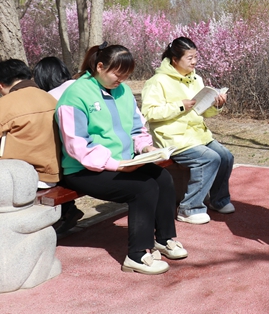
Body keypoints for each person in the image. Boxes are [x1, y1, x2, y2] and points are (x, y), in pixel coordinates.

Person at [56, 43, 187, 275]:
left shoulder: (123, 91)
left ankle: (164, 239)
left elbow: (137, 128)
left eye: (126, 75)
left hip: (123, 162)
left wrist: (146, 147)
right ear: (99, 67)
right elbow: (77, 145)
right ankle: (137, 255)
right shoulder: (75, 95)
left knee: (162, 178)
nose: (122, 80)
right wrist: (116, 164)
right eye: (118, 74)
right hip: (84, 169)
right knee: (143, 188)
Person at [141, 37, 234, 225]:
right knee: (209, 158)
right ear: (175, 60)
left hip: (197, 135)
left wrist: (216, 105)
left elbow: (202, 111)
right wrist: (180, 106)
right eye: (189, 58)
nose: (194, 62)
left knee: (226, 156)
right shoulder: (157, 81)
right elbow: (149, 113)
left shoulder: (196, 79)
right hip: (173, 138)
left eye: (195, 57)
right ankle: (189, 208)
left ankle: (218, 200)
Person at [32, 56, 84, 234]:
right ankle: (68, 212)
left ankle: (65, 214)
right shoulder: (79, 86)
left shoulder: (49, 97)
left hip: (75, 160)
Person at [0, 59, 60, 188]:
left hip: (21, 178)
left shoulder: (6, 103)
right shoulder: (50, 98)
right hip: (53, 175)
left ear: (1, 85)